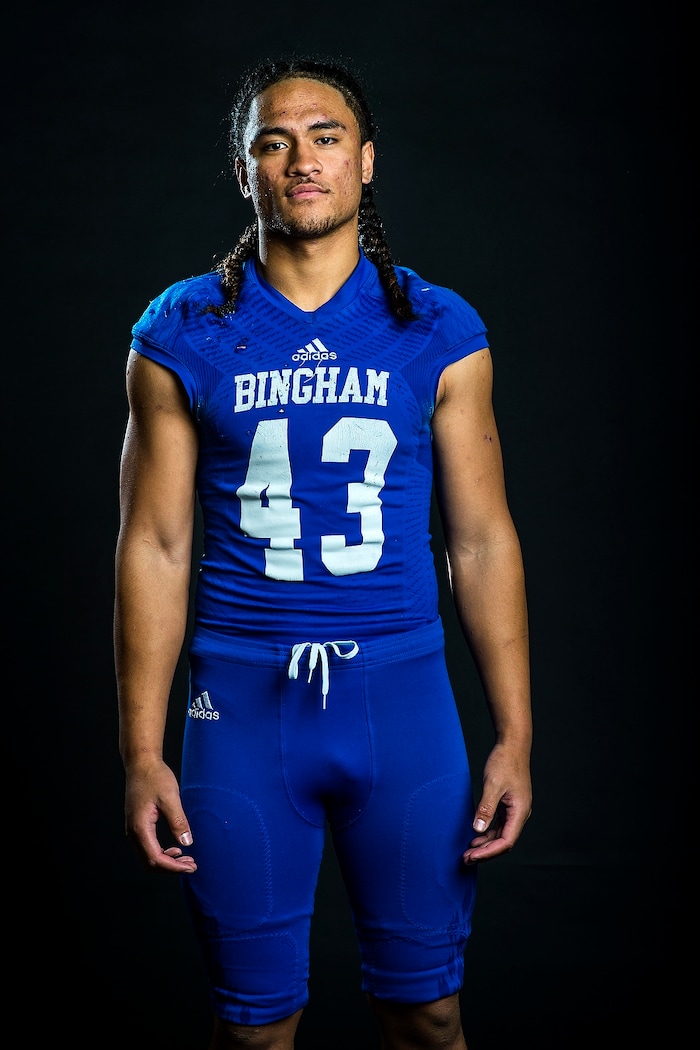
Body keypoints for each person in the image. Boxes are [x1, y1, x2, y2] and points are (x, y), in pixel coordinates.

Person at [114, 54, 532, 1050]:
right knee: (257, 1029)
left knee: (426, 1013)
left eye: (325, 136)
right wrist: (138, 752)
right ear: (245, 171)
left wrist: (515, 732)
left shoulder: (435, 325)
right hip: (242, 706)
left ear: (367, 161)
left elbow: (478, 541)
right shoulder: (183, 329)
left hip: (401, 700)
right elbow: (157, 545)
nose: (300, 159)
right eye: (272, 139)